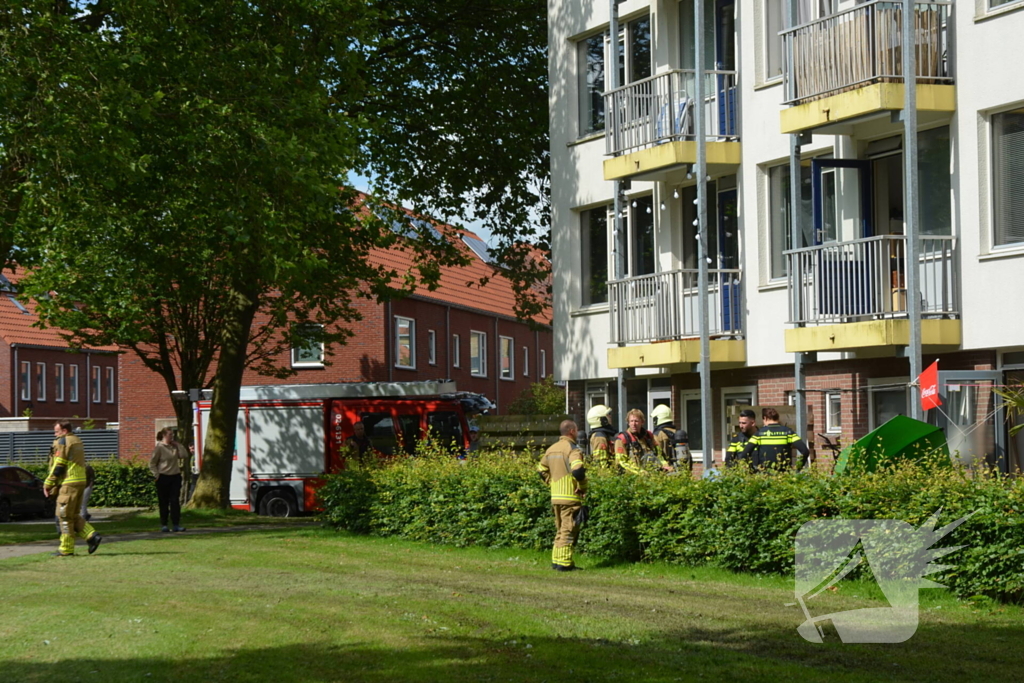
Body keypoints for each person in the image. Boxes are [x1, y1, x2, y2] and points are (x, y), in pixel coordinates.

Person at [44, 421, 102, 556]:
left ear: (64, 430)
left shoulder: (63, 441)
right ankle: (92, 536)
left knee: (63, 516)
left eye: (57, 431)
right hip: (80, 481)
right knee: (73, 514)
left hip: (68, 482)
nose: (55, 434)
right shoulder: (77, 440)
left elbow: (59, 464)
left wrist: (48, 483)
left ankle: (66, 549)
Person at [537, 420, 586, 572]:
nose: (577, 432)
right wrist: (582, 487)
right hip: (570, 497)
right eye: (576, 430)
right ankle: (565, 564)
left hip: (555, 496)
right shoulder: (573, 449)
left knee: (560, 529)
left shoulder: (551, 449)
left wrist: (550, 481)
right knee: (568, 530)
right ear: (571, 431)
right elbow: (578, 470)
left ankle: (556, 560)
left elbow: (540, 468)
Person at [740, 407, 811, 471]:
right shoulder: (788, 432)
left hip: (765, 475)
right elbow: (805, 451)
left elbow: (744, 455)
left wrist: (752, 470)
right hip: (784, 475)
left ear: (765, 418)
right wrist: (798, 468)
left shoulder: (759, 434)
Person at [150, 427, 188, 532]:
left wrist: (178, 445)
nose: (172, 436)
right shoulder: (159, 448)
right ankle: (164, 524)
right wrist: (156, 475)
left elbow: (184, 455)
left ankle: (176, 524)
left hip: (175, 476)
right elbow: (152, 463)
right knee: (164, 501)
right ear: (164, 436)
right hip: (163, 477)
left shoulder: (174, 447)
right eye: (170, 435)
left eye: (172, 434)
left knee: (175, 501)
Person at [613, 409, 669, 475]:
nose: (633, 424)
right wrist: (640, 472)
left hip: (651, 475)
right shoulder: (622, 439)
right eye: (631, 421)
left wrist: (665, 465)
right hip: (632, 477)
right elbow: (621, 462)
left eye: (636, 421)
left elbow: (658, 455)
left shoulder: (649, 436)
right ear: (628, 422)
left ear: (642, 422)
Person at [650, 404, 689, 473]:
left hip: (667, 470)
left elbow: (657, 454)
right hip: (680, 469)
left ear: (658, 418)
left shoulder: (658, 434)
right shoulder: (676, 432)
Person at [586, 404, 616, 468]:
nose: (610, 416)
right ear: (602, 419)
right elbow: (601, 461)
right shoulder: (600, 437)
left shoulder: (602, 434)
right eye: (608, 415)